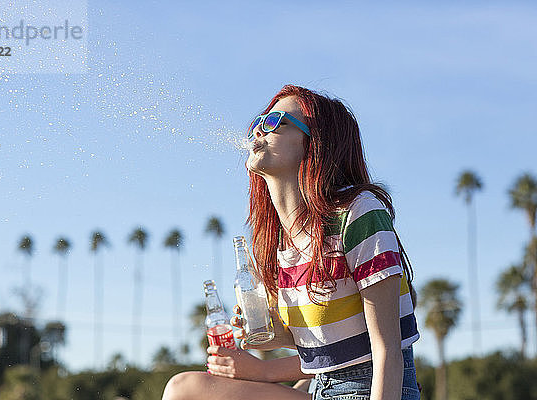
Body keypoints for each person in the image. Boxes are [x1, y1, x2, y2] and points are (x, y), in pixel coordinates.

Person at [162, 85, 421, 400]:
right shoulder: (280, 243)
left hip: (372, 390)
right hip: (320, 388)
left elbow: (387, 350)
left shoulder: (358, 212)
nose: (259, 128)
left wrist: (266, 373)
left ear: (314, 143)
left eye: (275, 122)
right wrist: (269, 334)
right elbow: (326, 346)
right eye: (259, 120)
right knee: (185, 389)